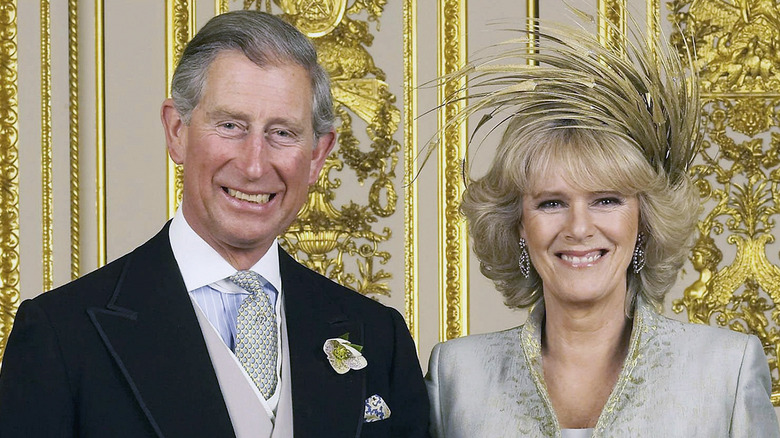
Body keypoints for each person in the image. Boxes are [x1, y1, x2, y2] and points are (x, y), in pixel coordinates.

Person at [0, 10, 429, 438]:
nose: (254, 164)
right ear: (176, 131)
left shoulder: (378, 336)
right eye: (230, 125)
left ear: (318, 155)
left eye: (282, 133)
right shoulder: (61, 334)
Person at [424, 16, 780, 438]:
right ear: (519, 225)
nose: (578, 228)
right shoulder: (457, 376)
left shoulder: (727, 369)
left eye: (606, 200)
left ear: (644, 220)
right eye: (551, 202)